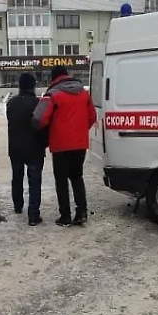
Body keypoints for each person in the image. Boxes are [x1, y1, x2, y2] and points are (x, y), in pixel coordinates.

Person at [33, 65, 97, 226]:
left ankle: (65, 216)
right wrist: (79, 131)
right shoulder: (84, 94)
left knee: (61, 181)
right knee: (77, 177)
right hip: (80, 145)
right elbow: (92, 117)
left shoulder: (52, 95)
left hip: (60, 145)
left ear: (53, 78)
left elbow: (39, 119)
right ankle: (81, 212)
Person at [6, 72, 47, 226]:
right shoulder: (38, 103)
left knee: (17, 177)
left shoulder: (11, 103)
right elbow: (42, 125)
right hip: (34, 148)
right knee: (34, 181)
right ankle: (33, 215)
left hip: (15, 147)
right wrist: (44, 143)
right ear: (33, 86)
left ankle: (18, 205)